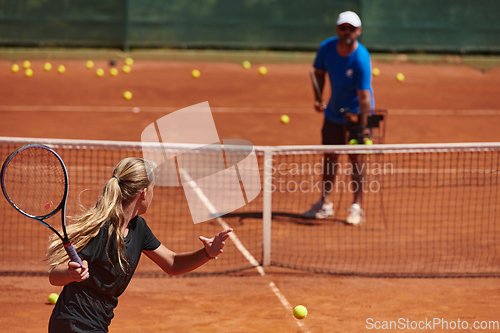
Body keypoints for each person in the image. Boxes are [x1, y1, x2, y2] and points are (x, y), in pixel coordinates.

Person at [46, 157, 232, 332]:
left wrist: (206, 253)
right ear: (143, 193)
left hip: (96, 323)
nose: (153, 194)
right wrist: (71, 273)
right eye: (153, 189)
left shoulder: (138, 228)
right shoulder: (104, 231)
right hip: (73, 324)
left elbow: (173, 263)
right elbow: (55, 276)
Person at [303, 11, 374, 225]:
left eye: (351, 29)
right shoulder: (327, 47)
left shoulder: (361, 58)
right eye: (343, 28)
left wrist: (364, 128)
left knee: (357, 161)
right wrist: (318, 98)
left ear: (358, 31)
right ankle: (325, 203)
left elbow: (364, 96)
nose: (347, 32)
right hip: (333, 113)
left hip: (356, 115)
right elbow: (318, 73)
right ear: (337, 29)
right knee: (330, 159)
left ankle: (357, 207)